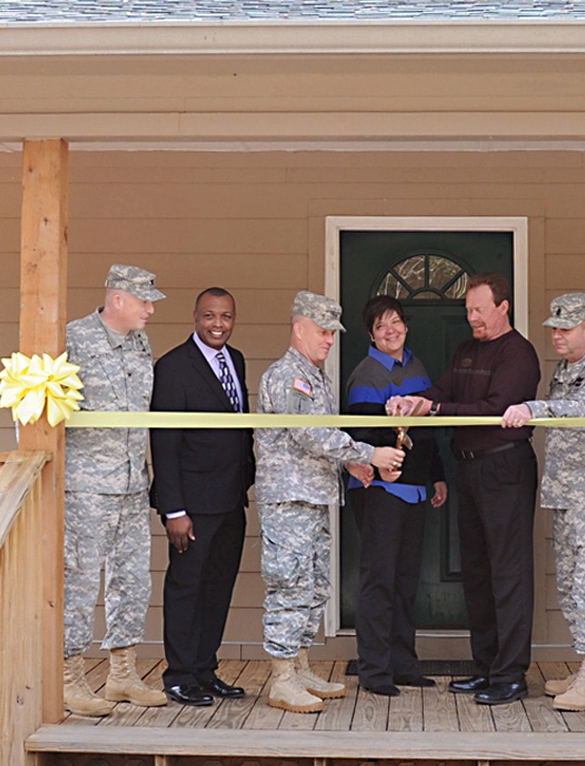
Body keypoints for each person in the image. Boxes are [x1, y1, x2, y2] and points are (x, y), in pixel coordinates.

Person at [387, 271, 541, 705]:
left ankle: (511, 675)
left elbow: (494, 410)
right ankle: (487, 667)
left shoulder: (519, 353)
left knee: (508, 574)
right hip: (469, 469)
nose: (472, 317)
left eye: (479, 309)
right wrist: (415, 401)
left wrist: (435, 407)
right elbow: (443, 390)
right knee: (477, 572)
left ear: (503, 307)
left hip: (505, 467)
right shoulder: (467, 350)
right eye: (468, 309)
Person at [255, 291, 405, 713]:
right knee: (288, 584)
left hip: (313, 495)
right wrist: (368, 454)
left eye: (332, 333)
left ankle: (299, 665)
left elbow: (316, 443)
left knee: (312, 586)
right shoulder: (290, 375)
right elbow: (310, 433)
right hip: (290, 498)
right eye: (321, 332)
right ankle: (282, 677)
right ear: (299, 328)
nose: (328, 340)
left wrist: (350, 467)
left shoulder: (314, 375)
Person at [503, 292, 585, 712]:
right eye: (554, 328)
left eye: (566, 328)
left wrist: (531, 407)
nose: (557, 335)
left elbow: (581, 411)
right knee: (573, 585)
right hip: (568, 494)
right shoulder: (564, 370)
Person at [62, 263, 167, 717]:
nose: (150, 309)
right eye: (144, 301)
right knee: (80, 583)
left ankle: (121, 675)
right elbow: (35, 406)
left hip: (130, 482)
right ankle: (67, 678)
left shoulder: (140, 342)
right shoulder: (72, 339)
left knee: (131, 580)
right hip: (86, 484)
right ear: (118, 299)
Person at [149, 287, 255, 707]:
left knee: (218, 586)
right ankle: (179, 674)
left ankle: (205, 669)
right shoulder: (174, 367)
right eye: (210, 315)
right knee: (186, 587)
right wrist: (174, 509)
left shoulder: (237, 359)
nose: (218, 324)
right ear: (195, 316)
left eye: (226, 316)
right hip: (190, 504)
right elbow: (165, 441)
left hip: (231, 498)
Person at [343, 295, 447, 696]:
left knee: (406, 582)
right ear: (371, 334)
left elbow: (427, 431)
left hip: (416, 491)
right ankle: (374, 671)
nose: (392, 331)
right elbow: (361, 438)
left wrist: (436, 476)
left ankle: (404, 664)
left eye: (397, 322)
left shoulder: (417, 366)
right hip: (379, 490)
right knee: (379, 581)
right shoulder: (366, 376)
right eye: (382, 326)